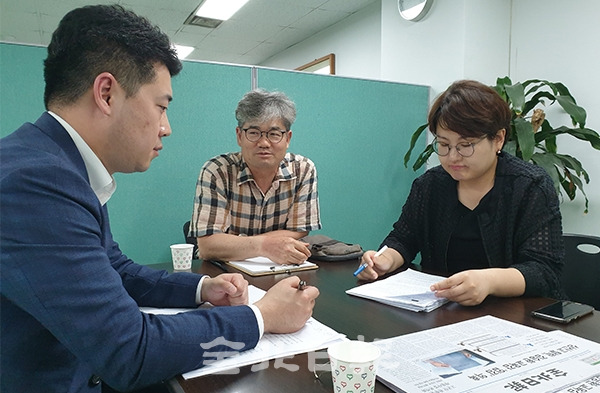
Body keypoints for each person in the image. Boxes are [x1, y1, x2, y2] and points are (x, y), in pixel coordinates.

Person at [0, 5, 318, 393]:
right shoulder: (36, 182)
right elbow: (130, 350)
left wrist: (200, 289)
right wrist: (261, 318)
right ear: (106, 93)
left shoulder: (55, 164)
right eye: (161, 107)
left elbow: (113, 267)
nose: (166, 128)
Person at [357, 80, 564, 306]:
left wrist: (489, 281)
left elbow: (544, 271)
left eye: (466, 145)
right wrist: (384, 260)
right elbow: (403, 238)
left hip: (513, 316)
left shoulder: (530, 186)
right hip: (442, 310)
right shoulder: (430, 185)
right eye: (444, 145)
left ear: (498, 139)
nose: (453, 157)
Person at [189, 89, 321, 265]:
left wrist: (237, 243)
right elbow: (207, 246)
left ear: (288, 139)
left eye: (274, 134)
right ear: (239, 136)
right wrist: (265, 246)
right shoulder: (217, 171)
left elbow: (299, 230)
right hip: (224, 274)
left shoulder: (303, 170)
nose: (264, 143)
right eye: (253, 132)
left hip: (279, 269)